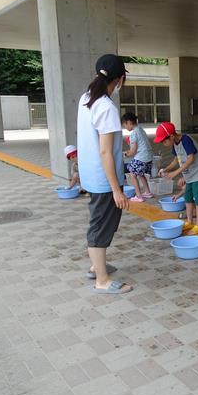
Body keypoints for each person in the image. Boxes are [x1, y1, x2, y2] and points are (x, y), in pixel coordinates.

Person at [77, 54, 133, 295]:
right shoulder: (106, 107)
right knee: (100, 227)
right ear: (120, 80)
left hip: (91, 174)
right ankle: (102, 280)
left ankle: (95, 266)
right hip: (103, 179)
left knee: (99, 222)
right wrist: (116, 189)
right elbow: (105, 151)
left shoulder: (86, 98)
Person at [155, 122, 198, 235]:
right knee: (188, 198)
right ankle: (190, 222)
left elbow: (191, 159)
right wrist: (166, 169)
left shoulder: (185, 140)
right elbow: (176, 160)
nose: (163, 143)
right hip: (190, 176)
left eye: (164, 141)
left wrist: (175, 173)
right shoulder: (175, 144)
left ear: (171, 136)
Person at [121, 112, 154, 202]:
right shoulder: (140, 129)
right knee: (140, 173)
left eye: (124, 125)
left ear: (129, 122)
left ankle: (139, 196)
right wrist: (128, 152)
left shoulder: (133, 134)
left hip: (141, 157)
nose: (125, 127)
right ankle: (147, 192)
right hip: (149, 157)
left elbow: (133, 151)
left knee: (132, 173)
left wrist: (124, 154)